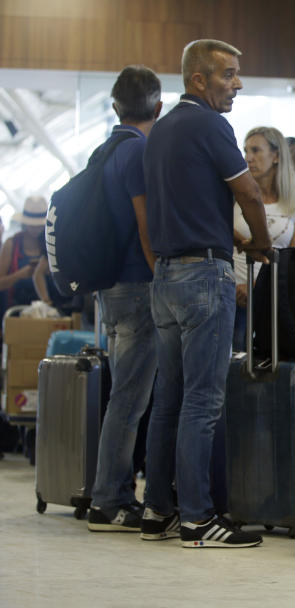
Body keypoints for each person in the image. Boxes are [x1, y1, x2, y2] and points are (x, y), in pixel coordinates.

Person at [142, 38, 270, 548]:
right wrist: (260, 243)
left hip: (166, 277)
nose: (237, 84)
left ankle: (158, 510)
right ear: (199, 79)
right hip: (204, 280)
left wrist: (234, 237)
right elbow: (250, 191)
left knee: (168, 401)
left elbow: (184, 204)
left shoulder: (162, 131)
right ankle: (197, 519)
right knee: (202, 403)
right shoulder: (210, 124)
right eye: (229, 74)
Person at [84, 66, 162, 532]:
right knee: (130, 399)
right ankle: (110, 499)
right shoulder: (139, 152)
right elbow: (146, 223)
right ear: (158, 107)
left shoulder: (104, 150)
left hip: (110, 286)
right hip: (138, 285)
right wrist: (161, 275)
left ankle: (109, 494)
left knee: (124, 396)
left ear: (115, 106)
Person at [231, 126, 295, 350]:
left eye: (256, 150)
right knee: (235, 364)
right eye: (246, 151)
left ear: (276, 156)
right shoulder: (235, 196)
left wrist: (256, 286)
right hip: (234, 295)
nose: (248, 158)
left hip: (275, 296)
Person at [0, 196, 47, 314]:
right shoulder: (12, 244)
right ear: (25, 223)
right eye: (32, 225)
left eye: (39, 225)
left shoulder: (49, 244)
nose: (36, 229)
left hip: (47, 310)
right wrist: (19, 275)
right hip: (15, 311)